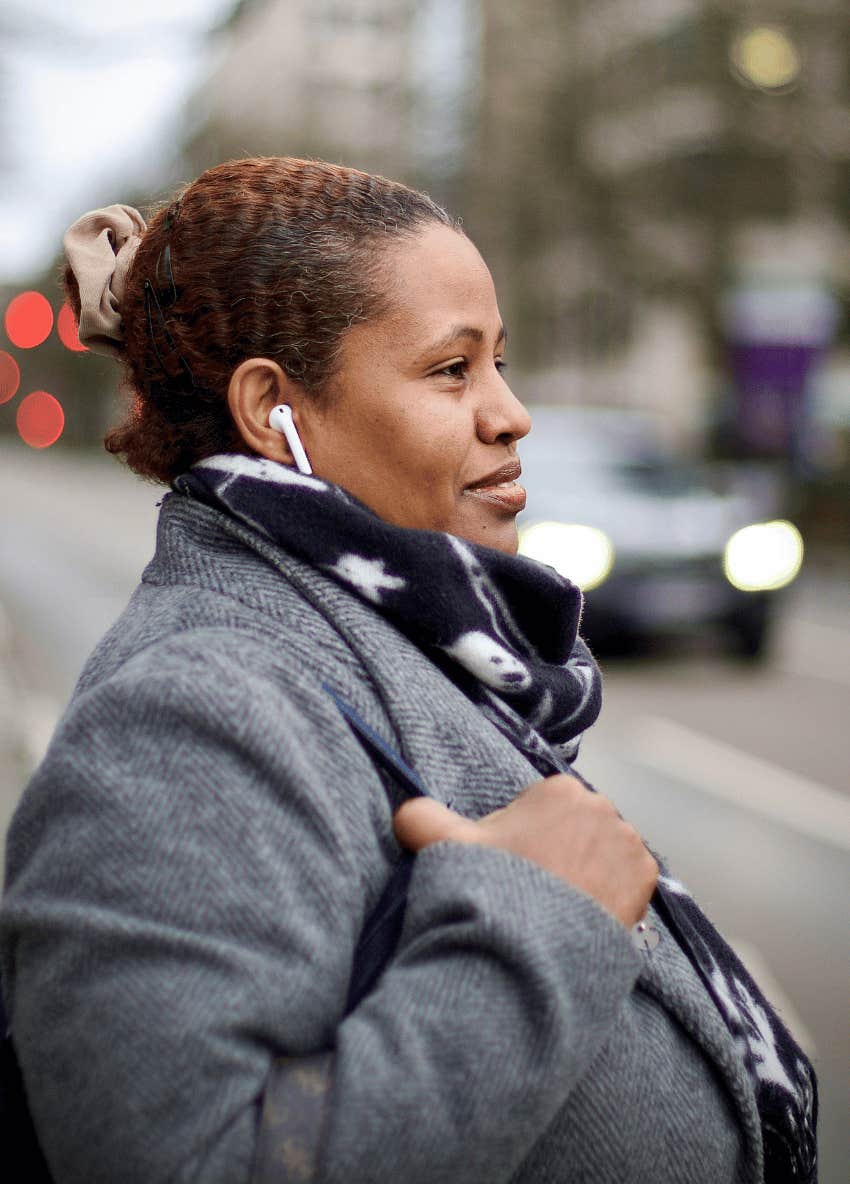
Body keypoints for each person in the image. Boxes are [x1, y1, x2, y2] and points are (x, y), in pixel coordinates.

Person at [0, 157, 817, 1183]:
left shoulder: (386, 640)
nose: (512, 414)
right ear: (272, 411)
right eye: (451, 370)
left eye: (501, 363)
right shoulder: (190, 711)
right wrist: (535, 916)